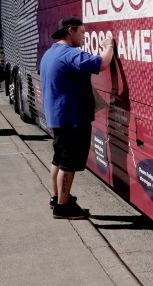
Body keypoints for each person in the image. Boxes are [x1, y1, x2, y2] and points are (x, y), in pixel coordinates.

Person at [39, 16, 113, 219]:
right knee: (68, 165)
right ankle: (63, 208)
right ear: (70, 30)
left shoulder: (50, 52)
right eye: (82, 32)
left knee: (58, 160)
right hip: (72, 119)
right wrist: (109, 46)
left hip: (59, 118)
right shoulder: (69, 54)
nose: (84, 37)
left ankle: (57, 198)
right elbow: (103, 64)